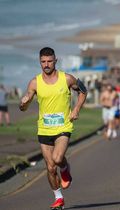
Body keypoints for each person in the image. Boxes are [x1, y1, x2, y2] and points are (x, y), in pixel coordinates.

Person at [19, 47, 87, 209]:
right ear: (39, 62)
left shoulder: (67, 79)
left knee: (57, 159)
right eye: (43, 62)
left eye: (50, 61)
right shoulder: (34, 82)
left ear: (55, 61)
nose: (47, 64)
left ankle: (64, 166)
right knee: (49, 167)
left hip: (63, 126)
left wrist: (76, 109)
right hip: (44, 129)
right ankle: (58, 198)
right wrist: (24, 102)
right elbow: (24, 105)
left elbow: (83, 90)